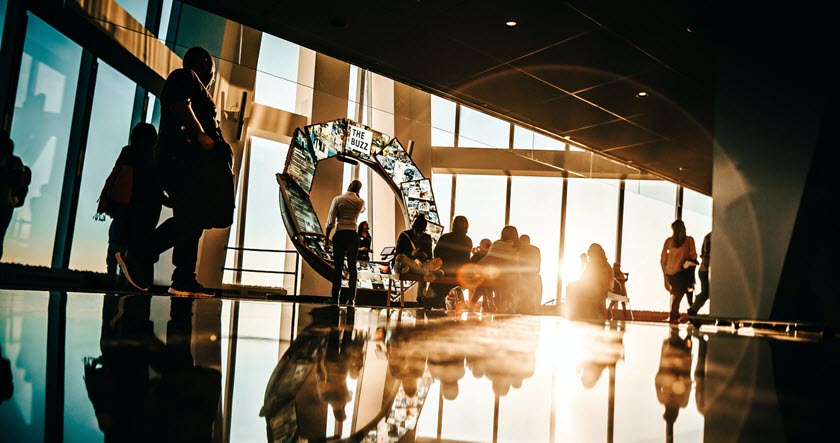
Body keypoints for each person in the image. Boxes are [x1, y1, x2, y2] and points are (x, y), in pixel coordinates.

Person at [117, 46, 235, 297]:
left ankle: (183, 278)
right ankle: (140, 254)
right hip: (182, 161)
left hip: (186, 164)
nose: (213, 78)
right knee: (192, 219)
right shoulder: (185, 77)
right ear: (204, 63)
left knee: (193, 218)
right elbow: (180, 105)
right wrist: (202, 135)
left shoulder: (188, 83)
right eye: (213, 71)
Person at [105, 123, 162, 278]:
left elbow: (116, 178)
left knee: (115, 249)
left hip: (123, 209)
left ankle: (111, 280)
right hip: (145, 213)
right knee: (140, 252)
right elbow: (156, 187)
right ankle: (135, 283)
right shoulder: (154, 158)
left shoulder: (128, 153)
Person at [325, 180, 366, 305]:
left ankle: (334, 297)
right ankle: (351, 298)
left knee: (338, 267)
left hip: (340, 233)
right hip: (353, 236)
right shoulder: (360, 202)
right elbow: (363, 210)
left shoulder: (338, 199)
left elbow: (331, 221)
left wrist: (327, 238)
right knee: (352, 268)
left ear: (349, 186)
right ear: (358, 190)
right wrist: (357, 196)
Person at [425, 215, 473, 309]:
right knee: (447, 286)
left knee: (437, 284)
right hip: (459, 272)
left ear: (453, 224)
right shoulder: (468, 241)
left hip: (444, 270)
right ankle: (435, 301)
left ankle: (429, 301)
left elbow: (436, 253)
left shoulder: (445, 237)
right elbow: (467, 259)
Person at [394, 215, 442, 300]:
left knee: (437, 261)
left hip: (420, 264)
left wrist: (424, 255)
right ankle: (427, 272)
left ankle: (420, 297)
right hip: (407, 262)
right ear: (414, 229)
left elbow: (430, 256)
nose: (419, 235)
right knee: (400, 257)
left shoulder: (427, 238)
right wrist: (411, 254)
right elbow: (398, 254)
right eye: (417, 232)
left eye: (421, 233)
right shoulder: (404, 236)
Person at [660, 219, 698, 323]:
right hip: (683, 272)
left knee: (679, 293)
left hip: (670, 274)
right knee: (683, 293)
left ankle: (678, 315)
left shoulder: (669, 241)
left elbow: (663, 259)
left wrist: (665, 274)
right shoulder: (689, 240)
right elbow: (693, 256)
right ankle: (678, 316)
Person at [0, 129, 29, 260]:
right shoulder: (15, 162)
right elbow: (17, 180)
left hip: (5, 203)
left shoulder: (13, 162)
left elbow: (16, 179)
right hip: (5, 203)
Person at [478, 225, 520, 313]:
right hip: (511, 277)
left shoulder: (496, 244)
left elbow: (488, 259)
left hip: (496, 276)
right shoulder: (517, 247)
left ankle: (491, 304)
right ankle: (503, 305)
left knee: (486, 279)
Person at [566, 243, 612, 321]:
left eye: (589, 252)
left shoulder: (600, 264)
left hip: (597, 288)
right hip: (592, 287)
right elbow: (584, 277)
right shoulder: (593, 263)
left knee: (572, 288)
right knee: (571, 286)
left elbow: (594, 279)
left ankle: (576, 314)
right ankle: (575, 313)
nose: (588, 255)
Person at [517, 234, 542, 314]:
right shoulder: (536, 249)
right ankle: (537, 306)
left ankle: (523, 305)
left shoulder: (519, 250)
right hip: (533, 275)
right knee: (537, 282)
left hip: (522, 275)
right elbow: (538, 265)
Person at [688, 231, 711, 316]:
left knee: (706, 292)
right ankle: (692, 310)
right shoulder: (715, 237)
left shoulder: (708, 236)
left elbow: (703, 253)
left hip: (703, 269)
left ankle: (693, 310)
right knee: (706, 293)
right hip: (707, 270)